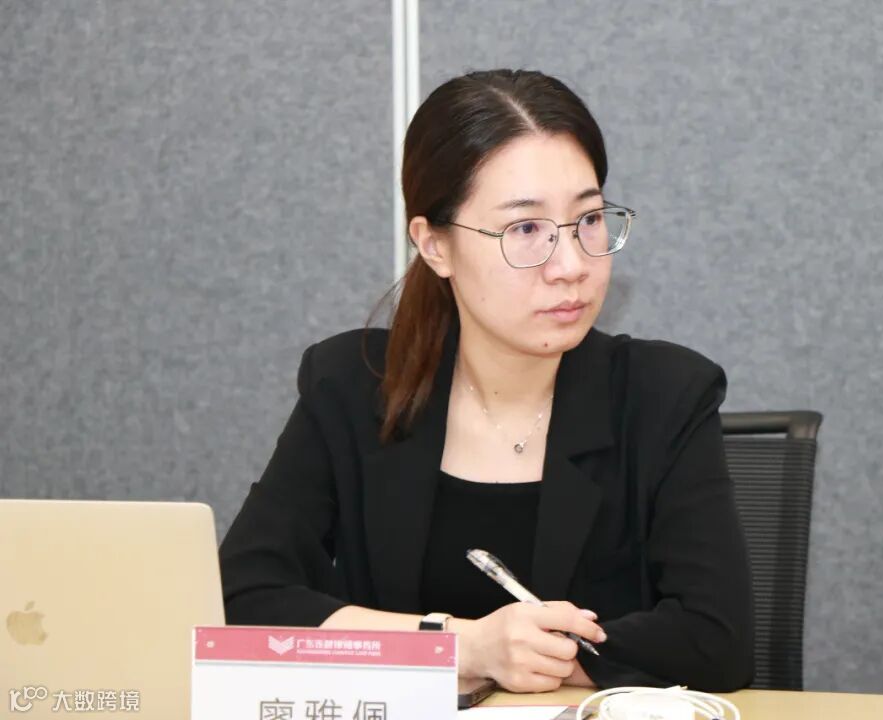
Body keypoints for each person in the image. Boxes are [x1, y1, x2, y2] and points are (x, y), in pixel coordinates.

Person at [219, 69, 753, 693]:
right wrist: (462, 647)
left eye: (588, 219)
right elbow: (242, 599)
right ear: (435, 246)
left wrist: (532, 656)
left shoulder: (665, 395)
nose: (572, 265)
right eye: (525, 229)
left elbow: (716, 641)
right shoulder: (353, 386)